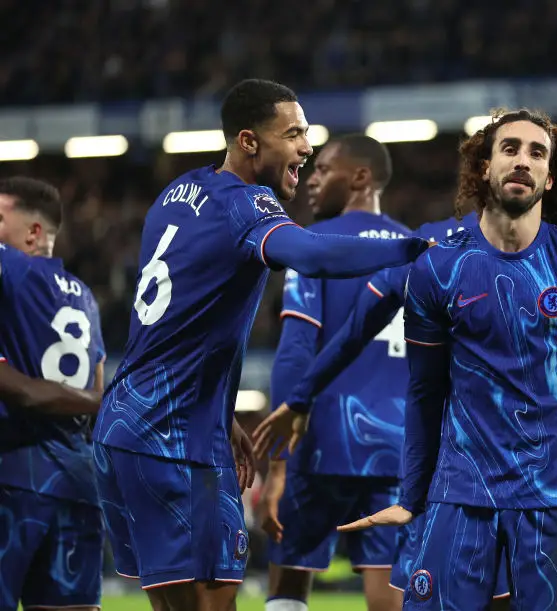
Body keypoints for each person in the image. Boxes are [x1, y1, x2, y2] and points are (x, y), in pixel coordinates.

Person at [91, 79, 431, 611]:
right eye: (293, 134)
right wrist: (409, 249)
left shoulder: (174, 195)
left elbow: (173, 318)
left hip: (172, 426)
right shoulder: (248, 204)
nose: (306, 147)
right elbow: (313, 254)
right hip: (157, 435)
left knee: (219, 597)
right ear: (249, 142)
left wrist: (221, 413)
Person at [330, 108, 557, 611]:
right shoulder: (438, 266)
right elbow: (424, 393)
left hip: (554, 496)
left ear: (550, 176)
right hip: (459, 493)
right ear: (484, 167)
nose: (523, 160)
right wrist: (412, 496)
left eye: (536, 153)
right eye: (510, 149)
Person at [260, 135, 415, 611]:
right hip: (400, 446)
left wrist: (278, 464)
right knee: (387, 595)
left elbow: (294, 353)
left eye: (324, 169)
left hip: (323, 440)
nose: (311, 180)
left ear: (361, 178)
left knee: (288, 583)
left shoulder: (315, 248)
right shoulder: (418, 250)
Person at [0, 176, 107, 611]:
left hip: (13, 475)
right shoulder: (86, 299)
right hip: (79, 483)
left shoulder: (7, 265)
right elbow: (99, 391)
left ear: (33, 232)